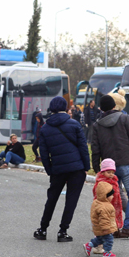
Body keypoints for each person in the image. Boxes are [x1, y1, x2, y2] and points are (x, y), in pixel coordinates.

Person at [34, 96, 90, 242]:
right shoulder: (74, 124)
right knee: (71, 200)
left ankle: (42, 229)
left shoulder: (45, 128)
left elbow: (44, 153)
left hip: (57, 168)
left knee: (52, 199)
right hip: (76, 168)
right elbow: (83, 148)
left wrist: (50, 170)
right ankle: (63, 231)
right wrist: (86, 167)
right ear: (65, 108)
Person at [92, 95, 129, 240]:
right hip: (126, 162)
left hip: (109, 168)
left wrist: (96, 167)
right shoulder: (124, 119)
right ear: (114, 106)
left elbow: (95, 148)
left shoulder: (97, 125)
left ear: (101, 108)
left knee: (113, 197)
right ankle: (128, 227)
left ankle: (114, 228)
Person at [83, 182, 118, 257]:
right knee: (109, 240)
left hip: (98, 227)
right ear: (106, 196)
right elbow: (104, 219)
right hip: (105, 228)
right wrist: (106, 228)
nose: (112, 197)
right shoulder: (105, 206)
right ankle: (107, 252)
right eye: (111, 195)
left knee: (100, 239)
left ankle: (89, 245)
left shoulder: (97, 202)